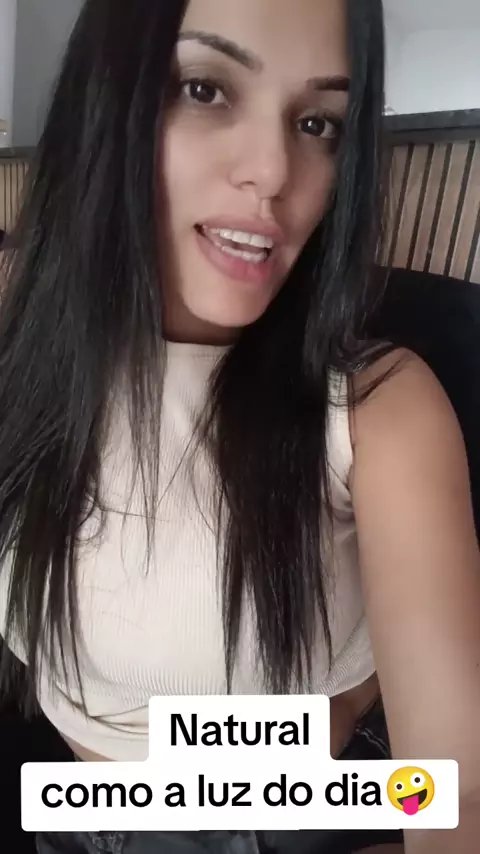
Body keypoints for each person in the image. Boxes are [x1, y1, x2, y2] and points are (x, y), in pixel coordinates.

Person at [0, 0, 479, 852]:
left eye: (318, 123)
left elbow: (452, 792)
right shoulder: (26, 366)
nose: (273, 172)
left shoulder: (379, 408)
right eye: (205, 88)